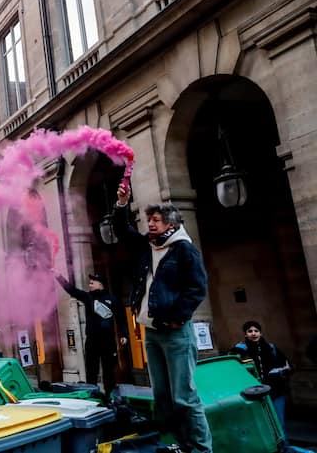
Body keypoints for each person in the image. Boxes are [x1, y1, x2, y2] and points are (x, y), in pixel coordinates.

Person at [113, 184, 212, 453]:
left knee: (185, 396)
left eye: (156, 220)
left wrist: (178, 318)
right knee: (163, 396)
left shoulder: (183, 249)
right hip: (152, 333)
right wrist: (122, 203)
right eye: (149, 220)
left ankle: (202, 449)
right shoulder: (148, 247)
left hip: (175, 333)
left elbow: (197, 288)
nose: (151, 224)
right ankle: (180, 444)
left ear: (171, 223)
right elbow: (123, 231)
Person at [55, 272, 129, 395]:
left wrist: (124, 334)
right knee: (91, 371)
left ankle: (109, 397)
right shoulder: (87, 297)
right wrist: (58, 276)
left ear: (100, 284)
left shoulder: (112, 299)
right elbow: (72, 290)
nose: (89, 285)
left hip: (108, 340)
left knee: (108, 371)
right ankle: (93, 395)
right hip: (92, 340)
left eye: (92, 283)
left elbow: (121, 319)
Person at [230, 321, 291, 428]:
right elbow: (234, 370)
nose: (253, 334)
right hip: (253, 393)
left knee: (279, 422)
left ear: (260, 333)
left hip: (275, 390)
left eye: (256, 331)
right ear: (245, 334)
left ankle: (283, 444)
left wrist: (283, 371)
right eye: (250, 331)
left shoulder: (271, 348)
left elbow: (286, 365)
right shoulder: (240, 350)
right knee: (262, 424)